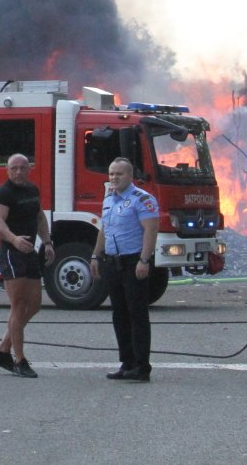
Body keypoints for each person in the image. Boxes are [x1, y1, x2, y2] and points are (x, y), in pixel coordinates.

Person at [90, 156, 159, 382]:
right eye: (111, 174)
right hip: (112, 262)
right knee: (119, 314)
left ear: (130, 176)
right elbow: (104, 229)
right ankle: (126, 363)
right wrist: (95, 256)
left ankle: (141, 366)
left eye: (119, 174)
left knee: (137, 314)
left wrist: (144, 260)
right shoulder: (109, 199)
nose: (114, 178)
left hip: (133, 263)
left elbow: (150, 231)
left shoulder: (142, 199)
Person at [0, 153, 53, 378]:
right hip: (11, 254)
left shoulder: (32, 190)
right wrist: (14, 239)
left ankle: (3, 349)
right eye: (13, 168)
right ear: (7, 170)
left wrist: (47, 242)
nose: (18, 172)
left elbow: (40, 218)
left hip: (30, 252)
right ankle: (19, 359)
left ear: (29, 169)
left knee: (34, 305)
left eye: (22, 168)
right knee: (19, 306)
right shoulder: (4, 193)